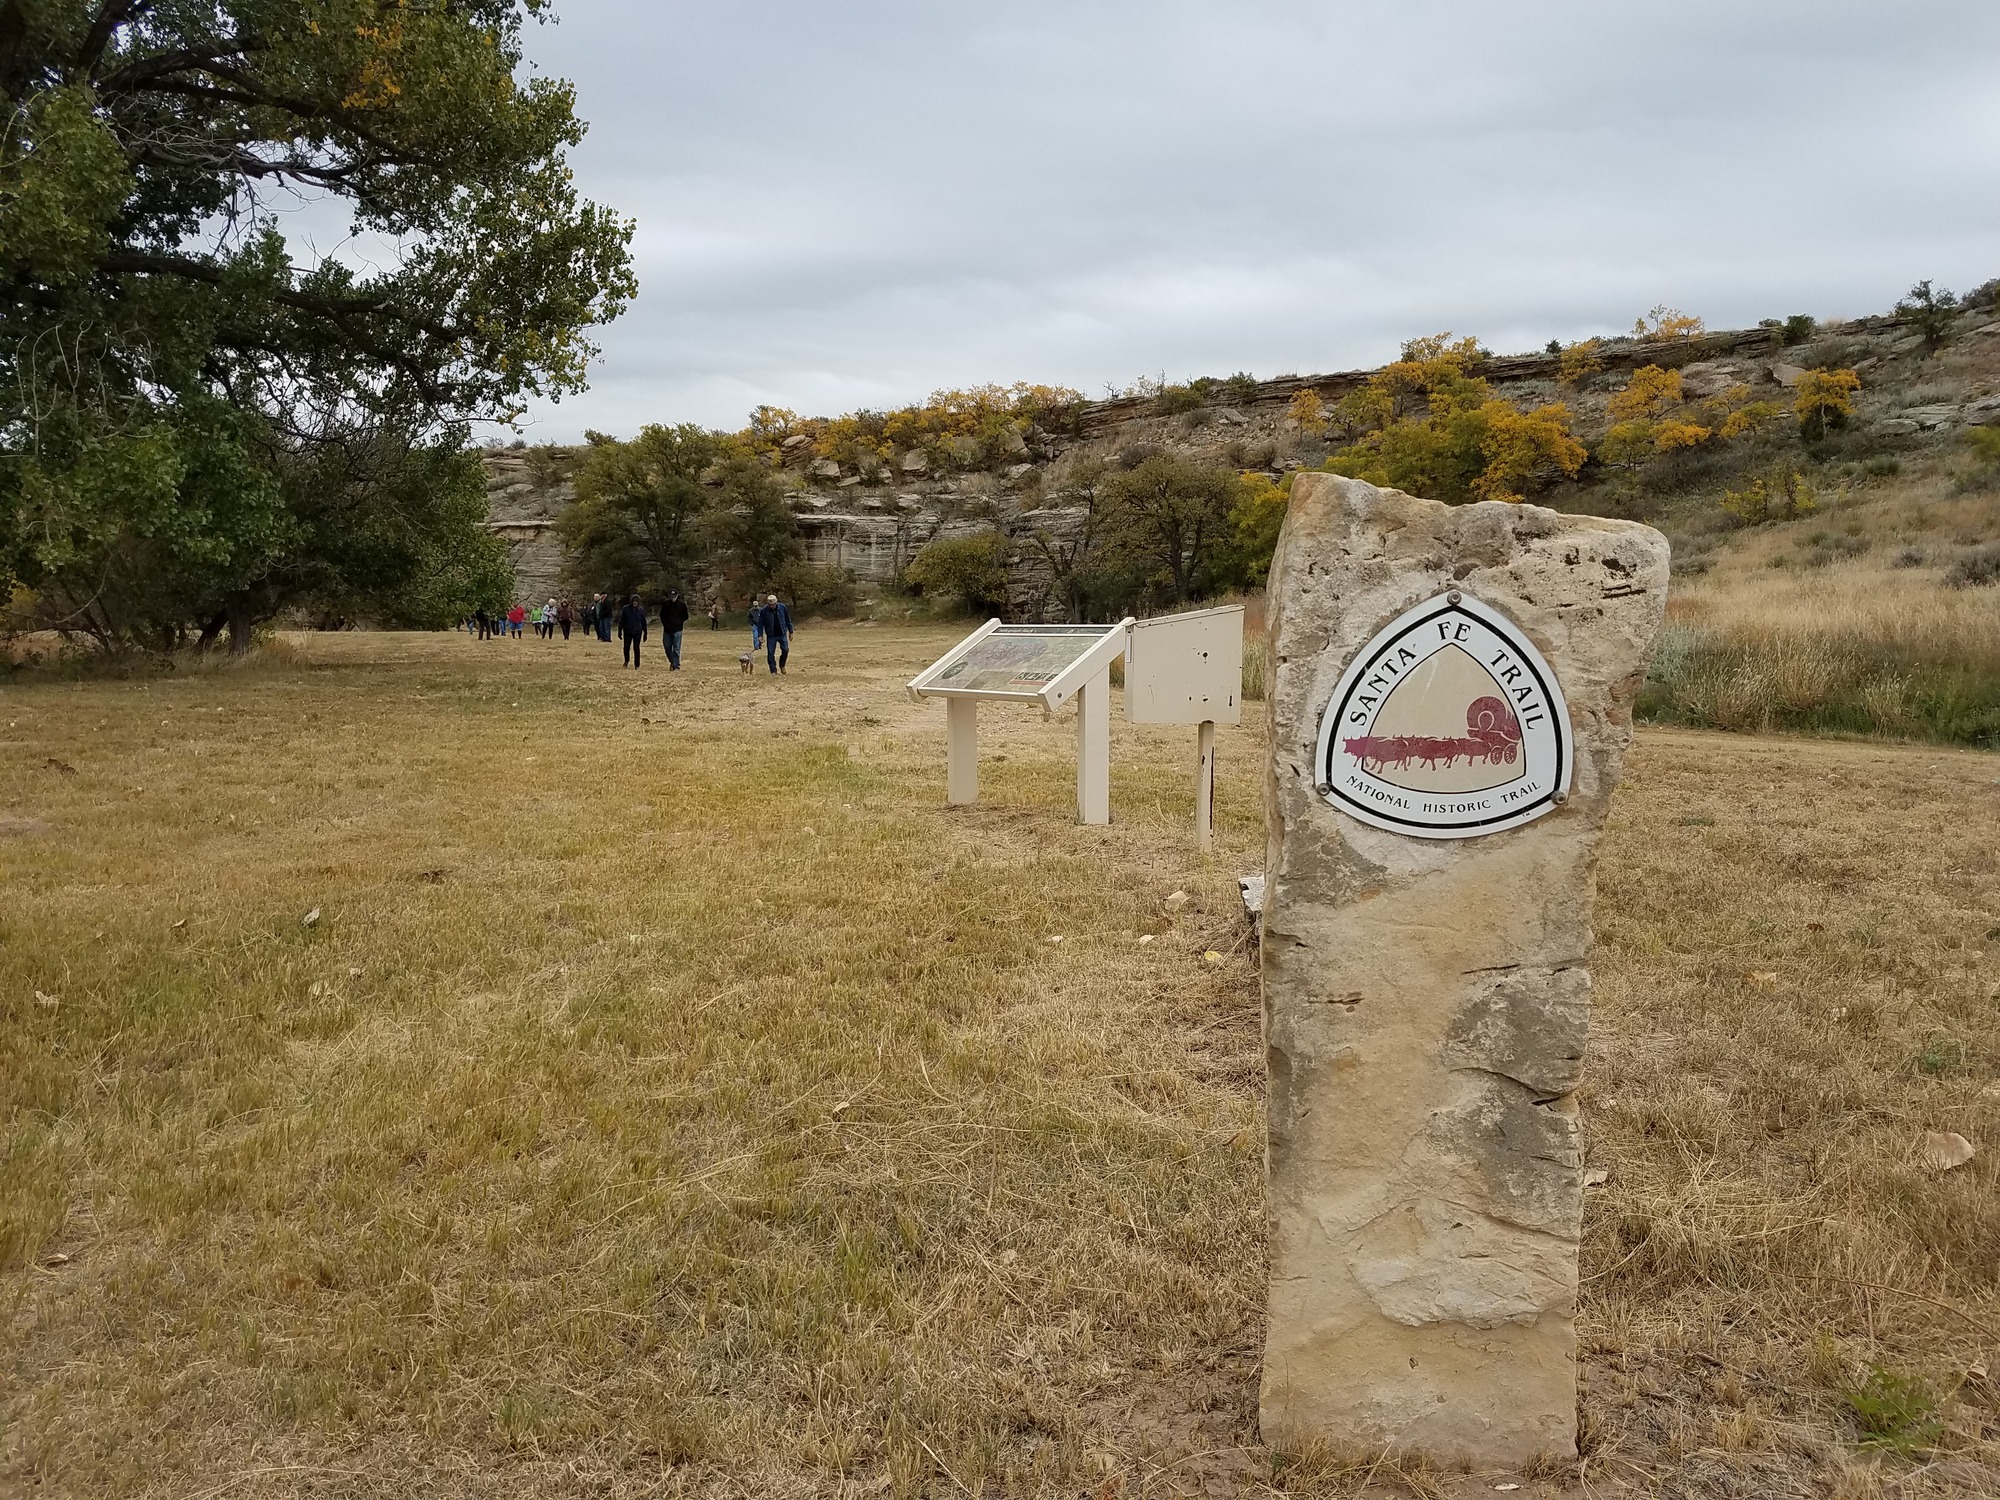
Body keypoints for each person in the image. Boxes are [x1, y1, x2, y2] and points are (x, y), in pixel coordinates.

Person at [757, 592, 793, 674]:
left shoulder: (783, 607)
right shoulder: (764, 610)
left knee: (785, 650)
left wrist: (791, 632)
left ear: (776, 602)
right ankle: (773, 671)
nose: (772, 606)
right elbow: (760, 624)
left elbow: (788, 620)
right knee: (770, 653)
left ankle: (782, 665)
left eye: (773, 604)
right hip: (771, 635)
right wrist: (760, 635)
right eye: (770, 604)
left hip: (782, 633)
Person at [659, 588, 690, 670]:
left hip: (677, 630)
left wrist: (679, 622)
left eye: (674, 596)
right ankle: (673, 662)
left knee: (676, 648)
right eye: (671, 596)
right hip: (667, 630)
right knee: (667, 648)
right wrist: (665, 624)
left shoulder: (682, 605)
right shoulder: (665, 604)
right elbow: (662, 615)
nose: (673, 598)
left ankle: (676, 665)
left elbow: (686, 616)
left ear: (677, 596)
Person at [617, 593, 648, 669]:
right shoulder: (626, 609)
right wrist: (619, 631)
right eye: (634, 601)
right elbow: (622, 621)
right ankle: (626, 660)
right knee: (626, 647)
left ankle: (637, 665)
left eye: (637, 601)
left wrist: (645, 633)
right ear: (631, 601)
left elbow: (644, 622)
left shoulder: (640, 610)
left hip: (637, 631)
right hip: (627, 631)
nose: (635, 603)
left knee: (636, 648)